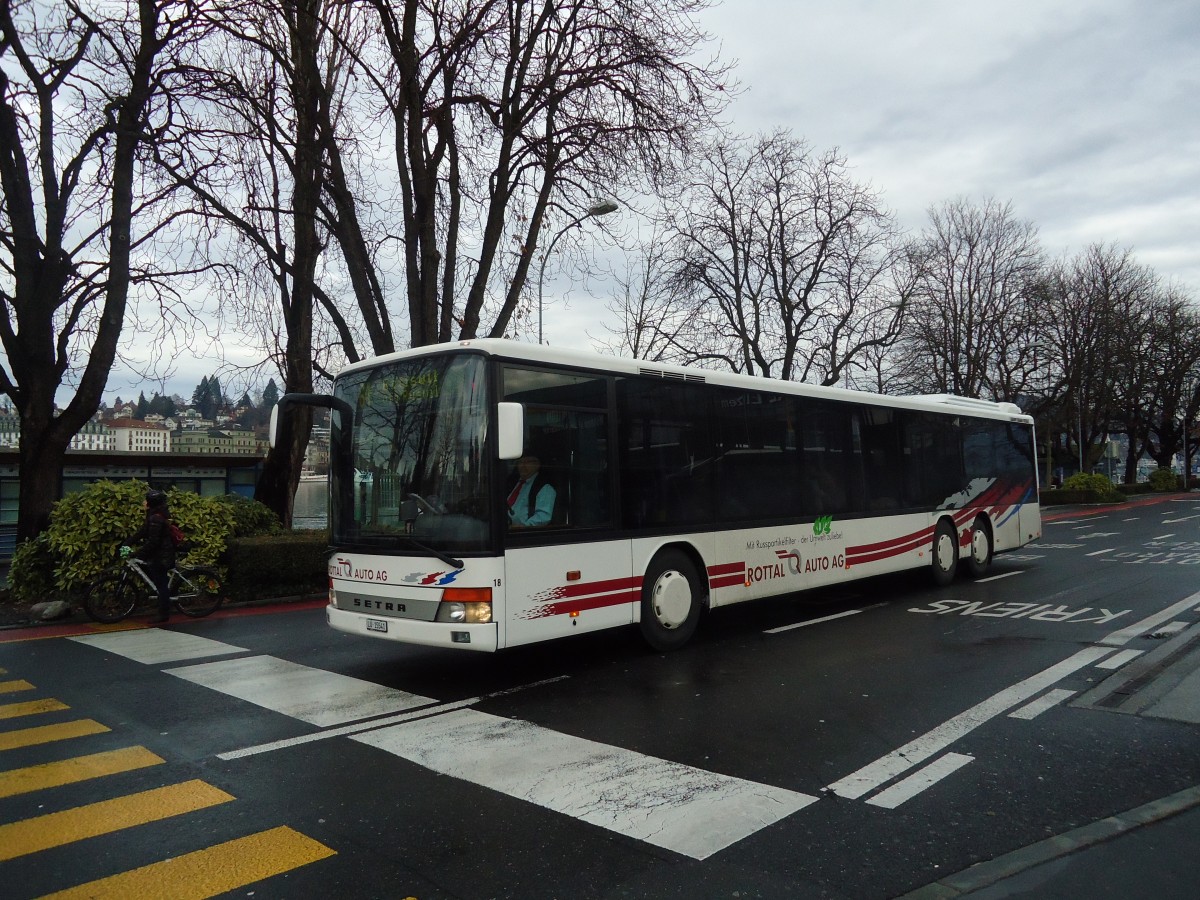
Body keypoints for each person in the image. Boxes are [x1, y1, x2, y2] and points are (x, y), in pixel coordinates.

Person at [129, 488, 177, 623]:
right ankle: (163, 597)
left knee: (161, 585)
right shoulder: (154, 515)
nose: (144, 502)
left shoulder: (156, 518)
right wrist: (128, 542)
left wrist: (138, 553)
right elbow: (143, 531)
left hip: (162, 556)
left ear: (151, 502)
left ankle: (164, 614)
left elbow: (153, 542)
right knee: (157, 579)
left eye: (146, 500)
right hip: (159, 553)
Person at [506, 454, 556, 528]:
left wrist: (522, 527)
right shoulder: (512, 483)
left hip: (524, 532)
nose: (523, 465)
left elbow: (543, 516)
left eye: (527, 462)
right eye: (520, 462)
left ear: (537, 465)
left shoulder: (545, 487)